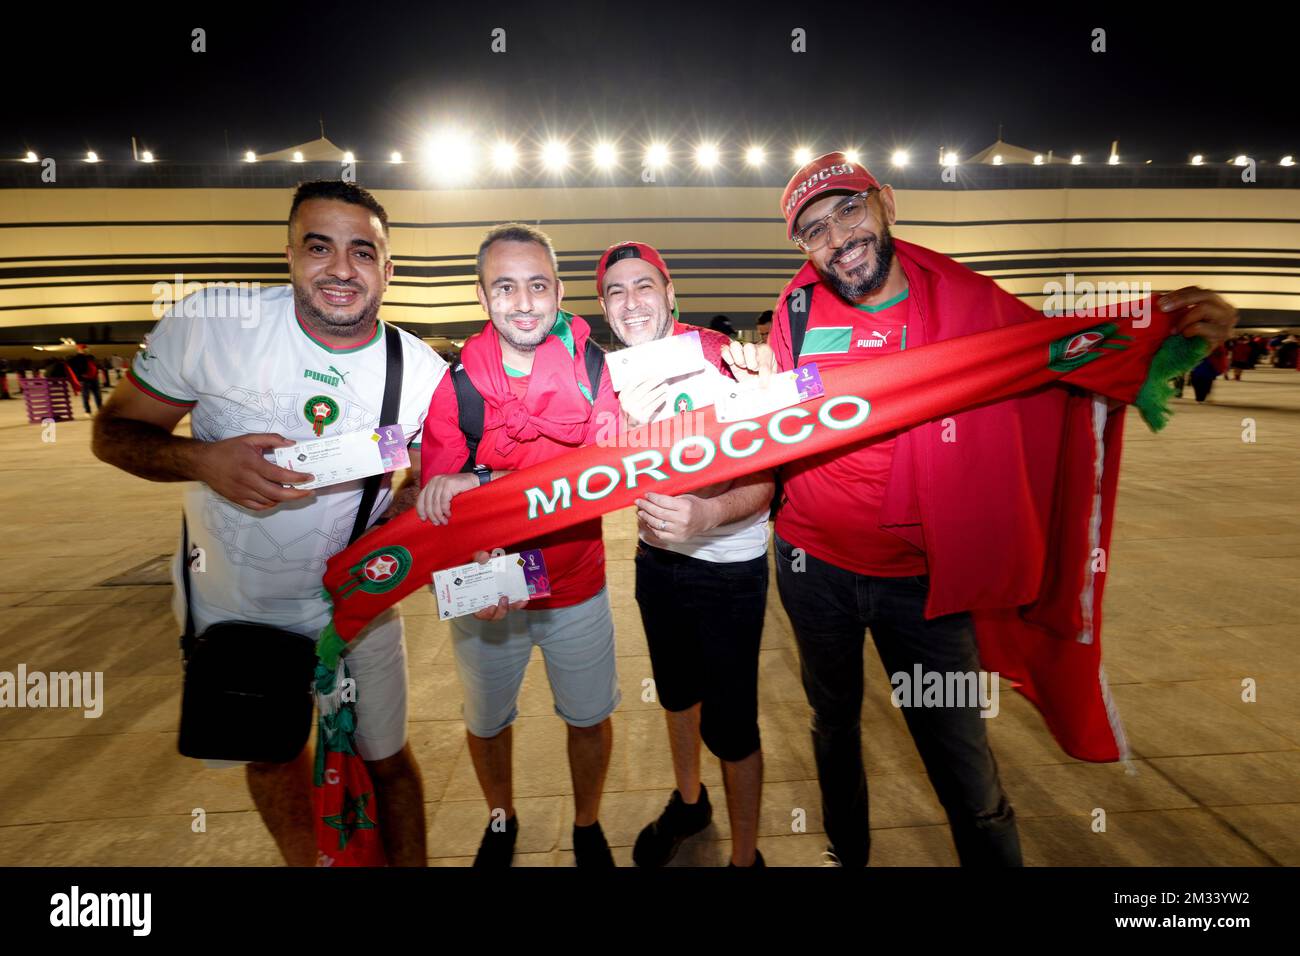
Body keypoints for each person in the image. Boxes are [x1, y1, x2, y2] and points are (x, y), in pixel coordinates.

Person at [721, 152, 1239, 867]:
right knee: (832, 724)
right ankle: (849, 854)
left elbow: (1061, 356)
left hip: (925, 584)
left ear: (887, 203)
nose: (838, 238)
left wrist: (1164, 335)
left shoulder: (966, 303)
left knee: (957, 749)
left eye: (849, 210)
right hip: (814, 568)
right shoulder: (797, 307)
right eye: (814, 230)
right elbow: (777, 416)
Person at [92, 180, 444, 866]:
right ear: (289, 255)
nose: (341, 269)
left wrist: (397, 522)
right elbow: (115, 433)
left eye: (362, 252)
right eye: (320, 247)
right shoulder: (212, 326)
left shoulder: (422, 371)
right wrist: (201, 459)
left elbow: (431, 472)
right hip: (236, 607)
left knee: (387, 760)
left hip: (355, 606)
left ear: (387, 270)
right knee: (273, 757)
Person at [415, 223, 621, 867]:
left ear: (559, 292)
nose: (524, 302)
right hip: (489, 591)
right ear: (483, 296)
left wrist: (484, 477)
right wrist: (462, 567)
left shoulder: (594, 368)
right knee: (486, 723)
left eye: (537, 285)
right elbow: (437, 508)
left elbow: (607, 469)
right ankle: (500, 820)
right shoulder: (455, 389)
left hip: (575, 581)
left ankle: (586, 824)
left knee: (588, 717)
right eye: (506, 287)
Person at [596, 241, 774, 867]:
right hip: (658, 562)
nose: (631, 301)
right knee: (675, 695)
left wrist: (707, 512)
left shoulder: (724, 358)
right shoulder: (610, 378)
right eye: (616, 291)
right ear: (604, 307)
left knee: (734, 724)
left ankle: (745, 856)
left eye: (644, 286)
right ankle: (690, 801)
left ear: (670, 294)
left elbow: (767, 480)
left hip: (730, 566)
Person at [67, 344, 103, 414]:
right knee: (86, 396)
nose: (86, 350)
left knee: (98, 395)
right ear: (79, 350)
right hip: (85, 380)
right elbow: (71, 367)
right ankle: (87, 411)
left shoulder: (90, 357)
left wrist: (96, 370)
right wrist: (79, 375)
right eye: (83, 349)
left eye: (86, 348)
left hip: (94, 379)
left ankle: (101, 410)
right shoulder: (76, 358)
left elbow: (94, 365)